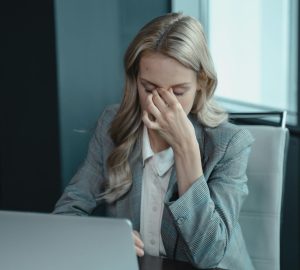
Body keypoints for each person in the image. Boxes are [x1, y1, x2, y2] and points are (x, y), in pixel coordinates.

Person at [53, 12, 255, 269]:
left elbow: (208, 255)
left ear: (201, 83)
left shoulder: (230, 144)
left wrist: (186, 150)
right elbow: (65, 215)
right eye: (148, 88)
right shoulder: (112, 125)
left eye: (178, 92)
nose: (159, 103)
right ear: (135, 79)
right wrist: (104, 239)